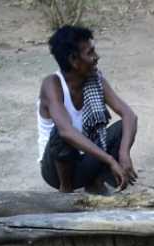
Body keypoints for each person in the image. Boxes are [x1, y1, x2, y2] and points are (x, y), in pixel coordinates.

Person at [37, 25, 138, 193]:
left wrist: (124, 153)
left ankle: (95, 183)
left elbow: (129, 115)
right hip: (55, 171)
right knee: (62, 134)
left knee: (123, 127)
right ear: (73, 60)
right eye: (90, 53)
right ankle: (66, 191)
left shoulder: (95, 79)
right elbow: (66, 132)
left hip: (85, 162)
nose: (96, 57)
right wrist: (110, 160)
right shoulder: (52, 84)